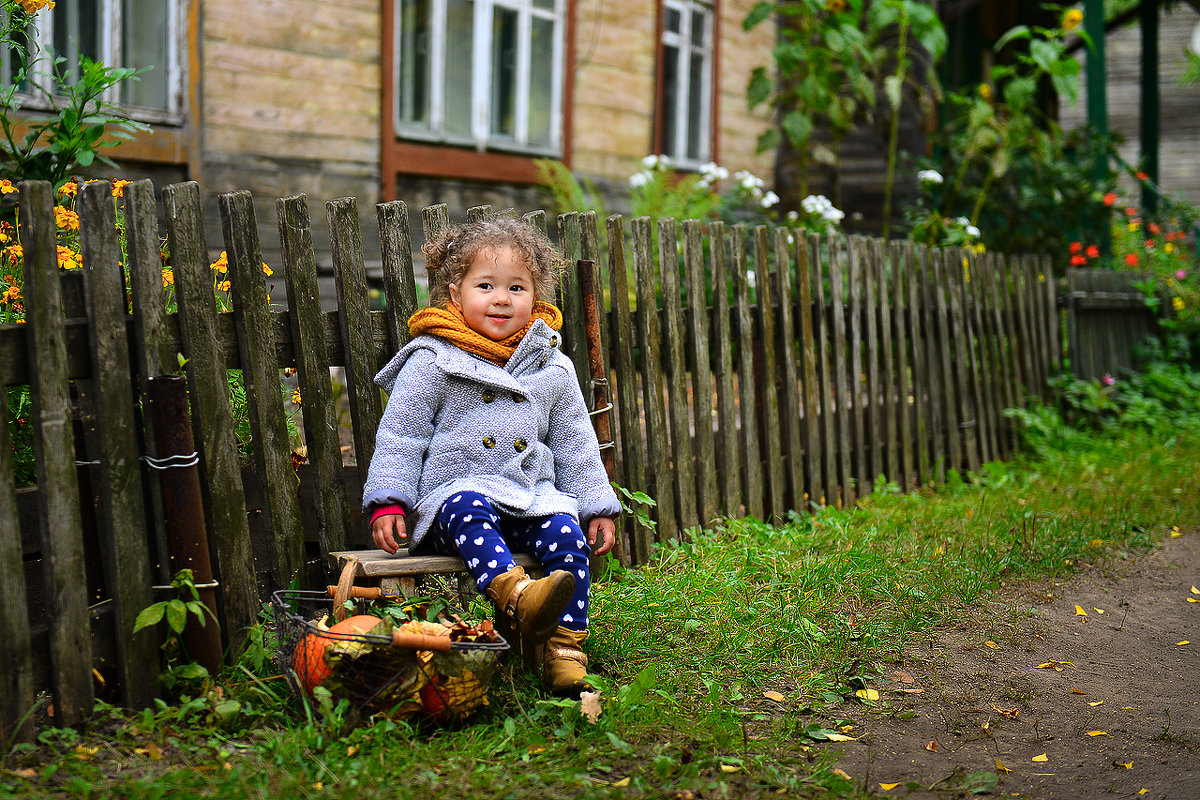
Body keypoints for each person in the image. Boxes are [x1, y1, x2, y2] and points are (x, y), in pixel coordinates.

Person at [362, 218, 619, 697]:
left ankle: (565, 650)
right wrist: (388, 502)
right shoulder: (432, 359)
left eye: (516, 287)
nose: (501, 298)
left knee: (564, 532)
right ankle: (520, 597)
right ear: (455, 295)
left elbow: (575, 443)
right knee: (467, 503)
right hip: (451, 504)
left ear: (535, 296)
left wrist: (595, 505)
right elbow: (401, 436)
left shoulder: (551, 366)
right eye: (486, 285)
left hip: (527, 497)